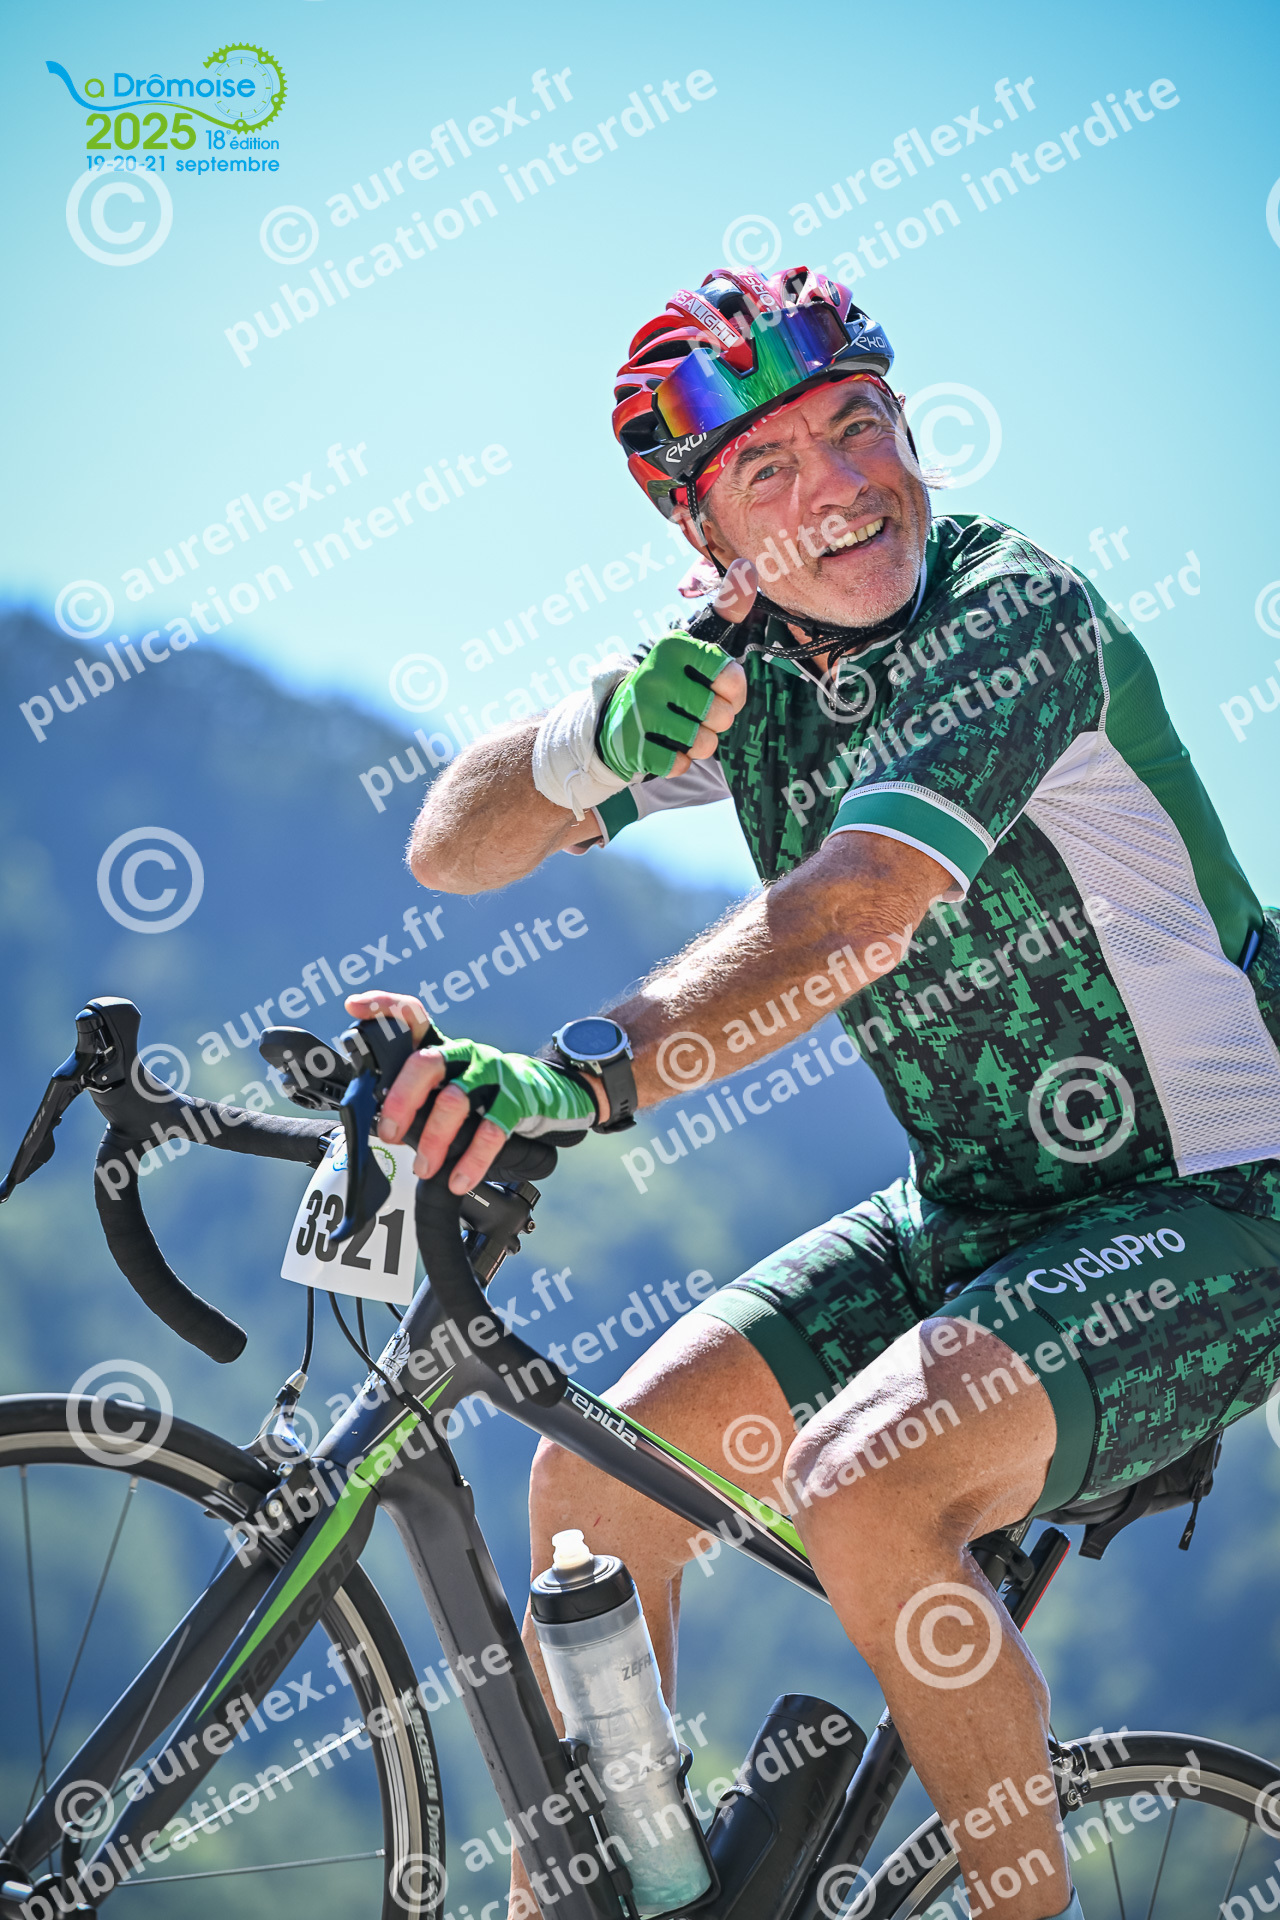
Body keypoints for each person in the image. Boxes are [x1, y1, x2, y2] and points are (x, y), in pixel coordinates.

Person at [347, 266, 1280, 1920]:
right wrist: (588, 741)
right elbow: (450, 846)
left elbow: (852, 911)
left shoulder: (1014, 613)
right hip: (977, 1218)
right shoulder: (747, 665)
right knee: (591, 1487)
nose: (842, 486)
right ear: (707, 538)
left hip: (1221, 1199)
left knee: (867, 1480)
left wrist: (579, 1075)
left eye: (859, 427)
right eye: (770, 468)